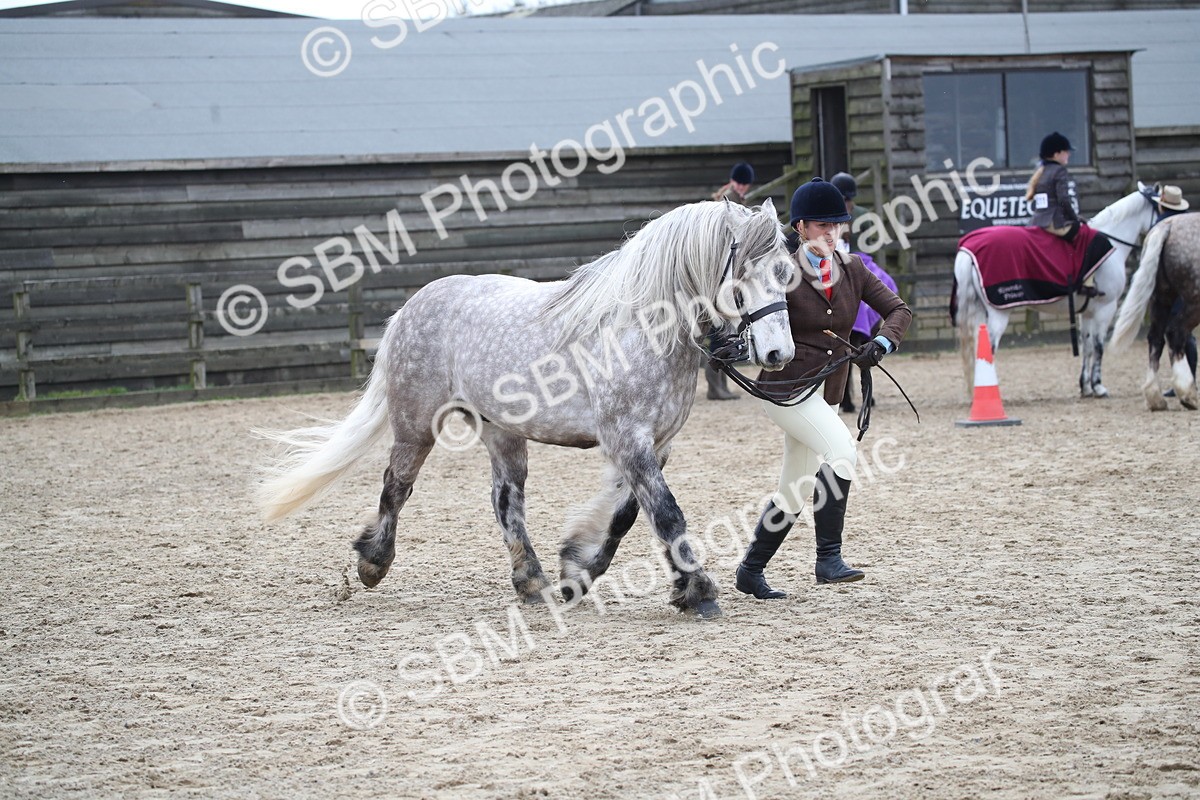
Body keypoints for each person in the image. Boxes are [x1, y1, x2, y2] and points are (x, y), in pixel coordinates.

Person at [735, 178, 912, 600]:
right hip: (786, 389)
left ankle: (750, 570)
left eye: (837, 225)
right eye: (821, 226)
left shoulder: (854, 270)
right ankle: (828, 559)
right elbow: (750, 317)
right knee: (843, 451)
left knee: (794, 488)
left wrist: (882, 343)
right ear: (801, 228)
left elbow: (898, 310)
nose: (831, 234)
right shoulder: (779, 272)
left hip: (827, 392)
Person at [828, 171, 901, 413]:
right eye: (843, 198)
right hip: (836, 270)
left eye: (849, 199)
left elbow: (870, 249)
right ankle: (845, 396)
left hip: (861, 268)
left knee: (886, 285)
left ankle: (881, 329)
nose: (846, 203)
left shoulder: (864, 218)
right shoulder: (828, 217)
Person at [704, 161, 757, 400]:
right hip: (720, 278)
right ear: (734, 181)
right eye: (741, 183)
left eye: (746, 184)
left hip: (724, 277)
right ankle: (716, 387)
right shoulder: (729, 202)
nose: (744, 187)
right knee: (718, 333)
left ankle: (721, 385)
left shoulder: (733, 198)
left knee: (723, 333)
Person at [1151, 185, 1197, 396]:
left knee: (1169, 329)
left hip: (1166, 289)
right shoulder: (1187, 226)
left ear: (1162, 206)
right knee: (1184, 332)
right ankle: (1189, 380)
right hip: (1183, 290)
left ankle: (1176, 380)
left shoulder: (1161, 225)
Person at [1025, 132, 1080, 240]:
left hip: (1036, 221)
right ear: (1056, 154)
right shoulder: (1059, 170)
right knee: (1083, 233)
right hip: (1053, 223)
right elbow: (1063, 199)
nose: (1069, 154)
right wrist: (1075, 219)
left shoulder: (1041, 170)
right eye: (1066, 151)